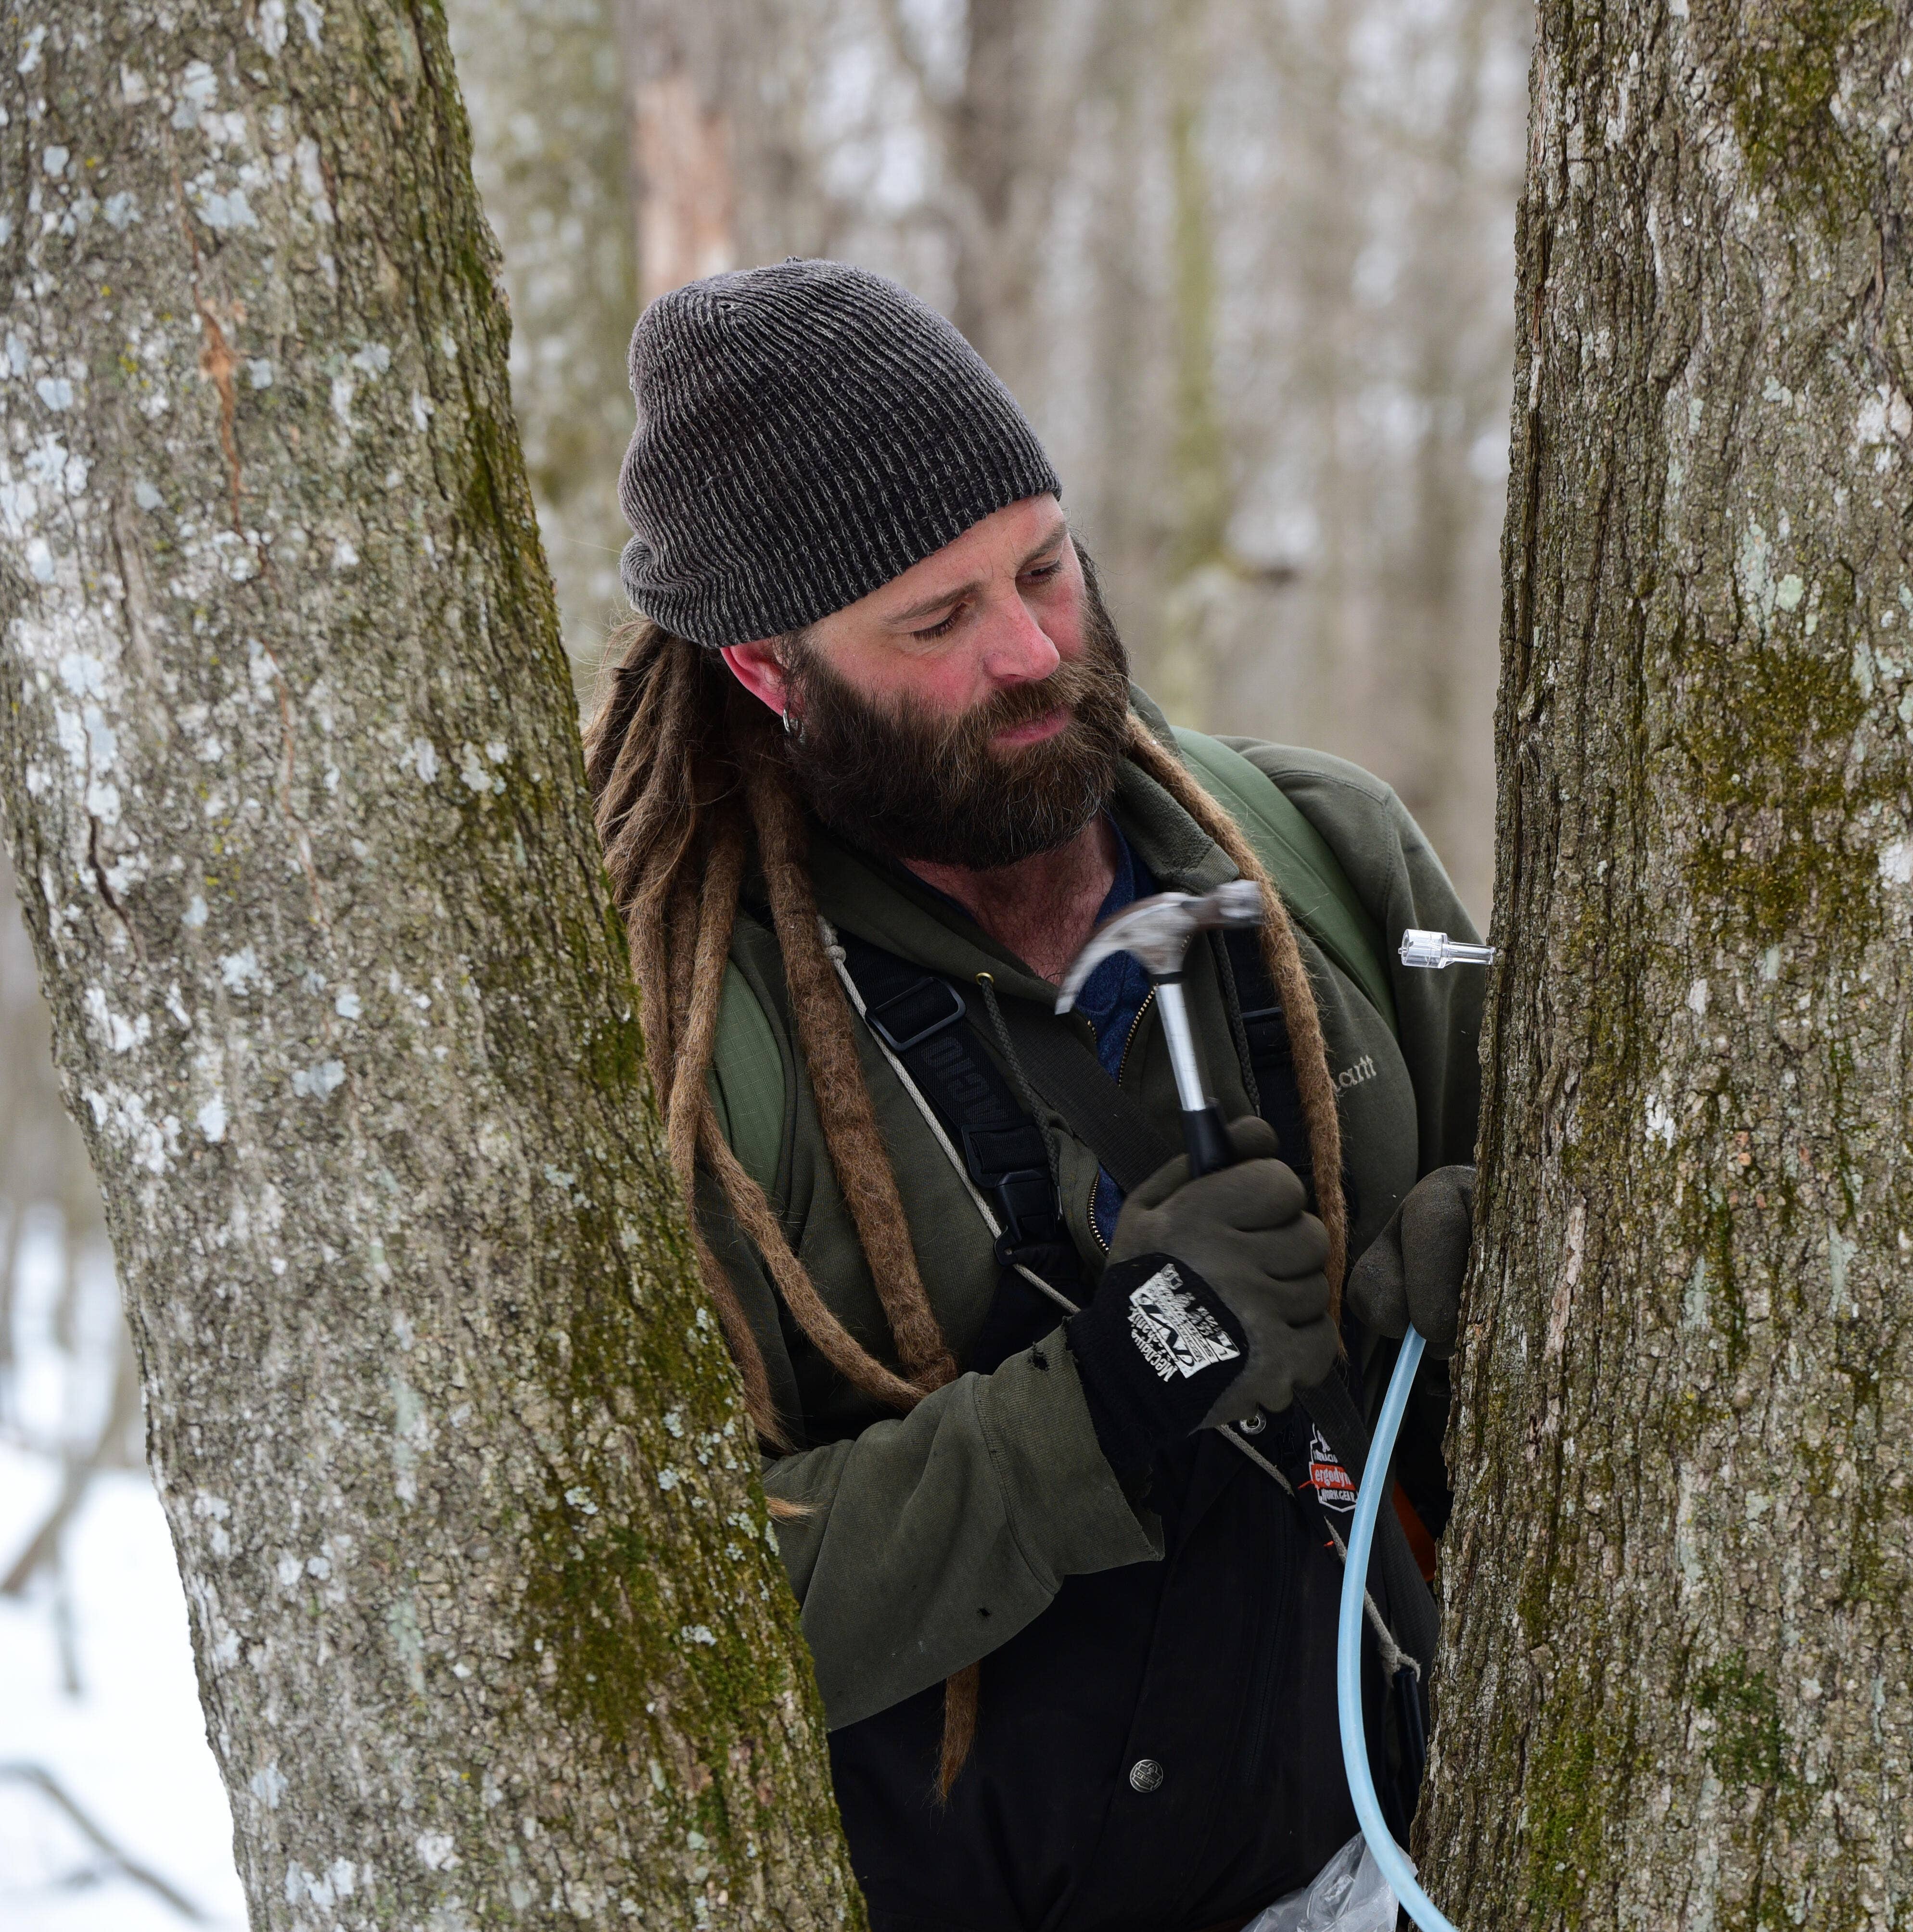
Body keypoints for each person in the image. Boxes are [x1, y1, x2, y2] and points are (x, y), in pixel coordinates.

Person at [584, 257, 1484, 1932]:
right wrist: (1104, 1400)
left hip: (1420, 1864)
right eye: (934, 621)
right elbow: (643, 1627)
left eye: (1044, 565)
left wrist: (1490, 1271)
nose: (1031, 651)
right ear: (770, 675)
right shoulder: (695, 1046)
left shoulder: (1319, 851)